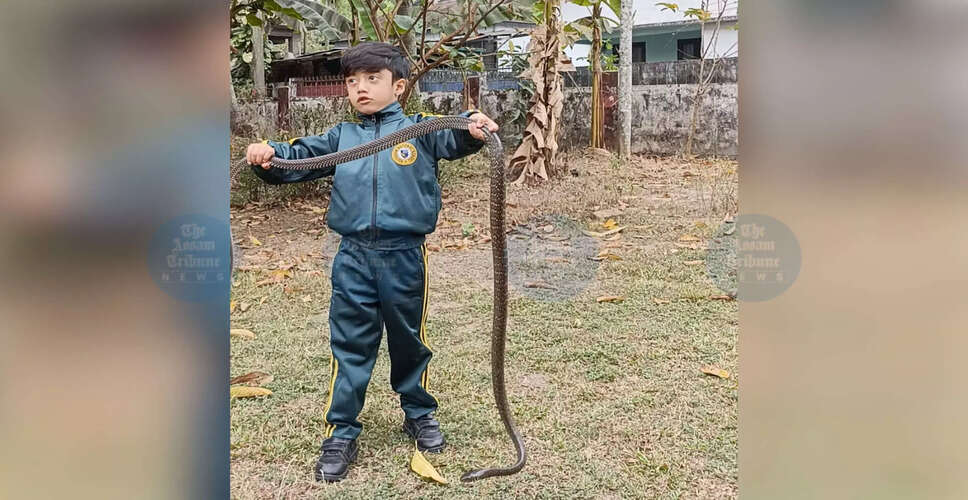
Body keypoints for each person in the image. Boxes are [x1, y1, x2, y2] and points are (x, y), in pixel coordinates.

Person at [245, 42, 499, 482]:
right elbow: (294, 159)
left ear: (398, 86)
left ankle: (418, 413)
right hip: (353, 258)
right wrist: (265, 157)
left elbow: (456, 136)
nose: (360, 88)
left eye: (372, 79)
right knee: (350, 344)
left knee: (408, 340)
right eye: (352, 80)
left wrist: (472, 128)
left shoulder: (421, 130)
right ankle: (341, 431)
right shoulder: (341, 138)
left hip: (404, 257)